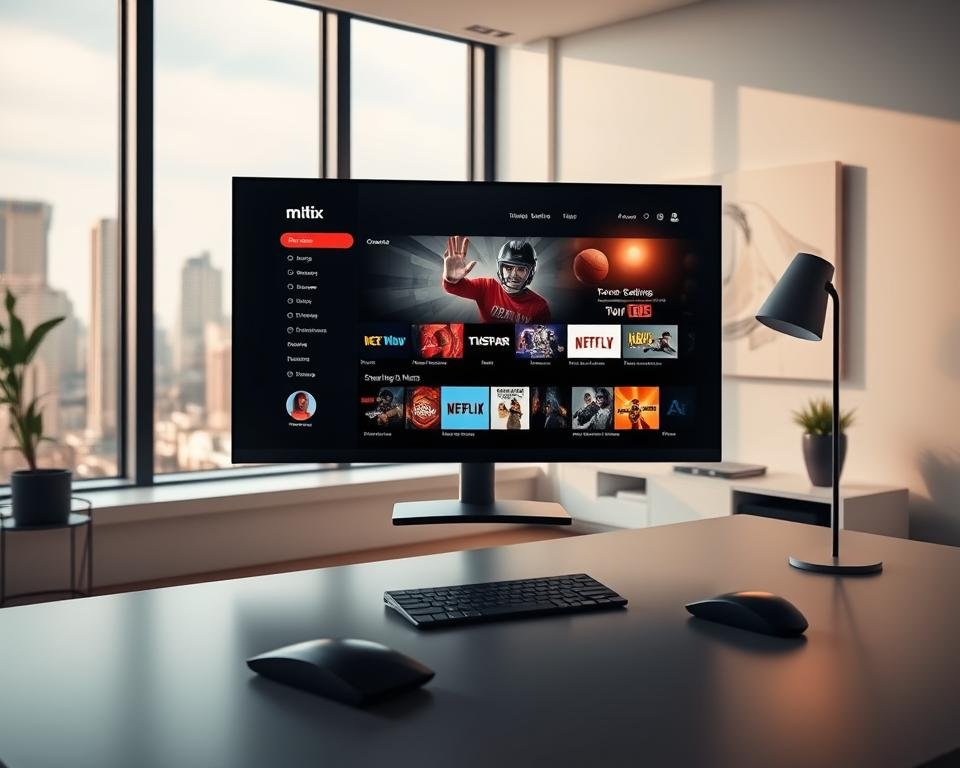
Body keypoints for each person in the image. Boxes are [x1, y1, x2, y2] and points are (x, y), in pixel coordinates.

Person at [442, 236, 551, 322]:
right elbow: (453, 287)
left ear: (530, 272)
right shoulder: (487, 287)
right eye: (508, 268)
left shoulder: (540, 306)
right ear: (500, 268)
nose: (513, 275)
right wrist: (451, 279)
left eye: (521, 269)